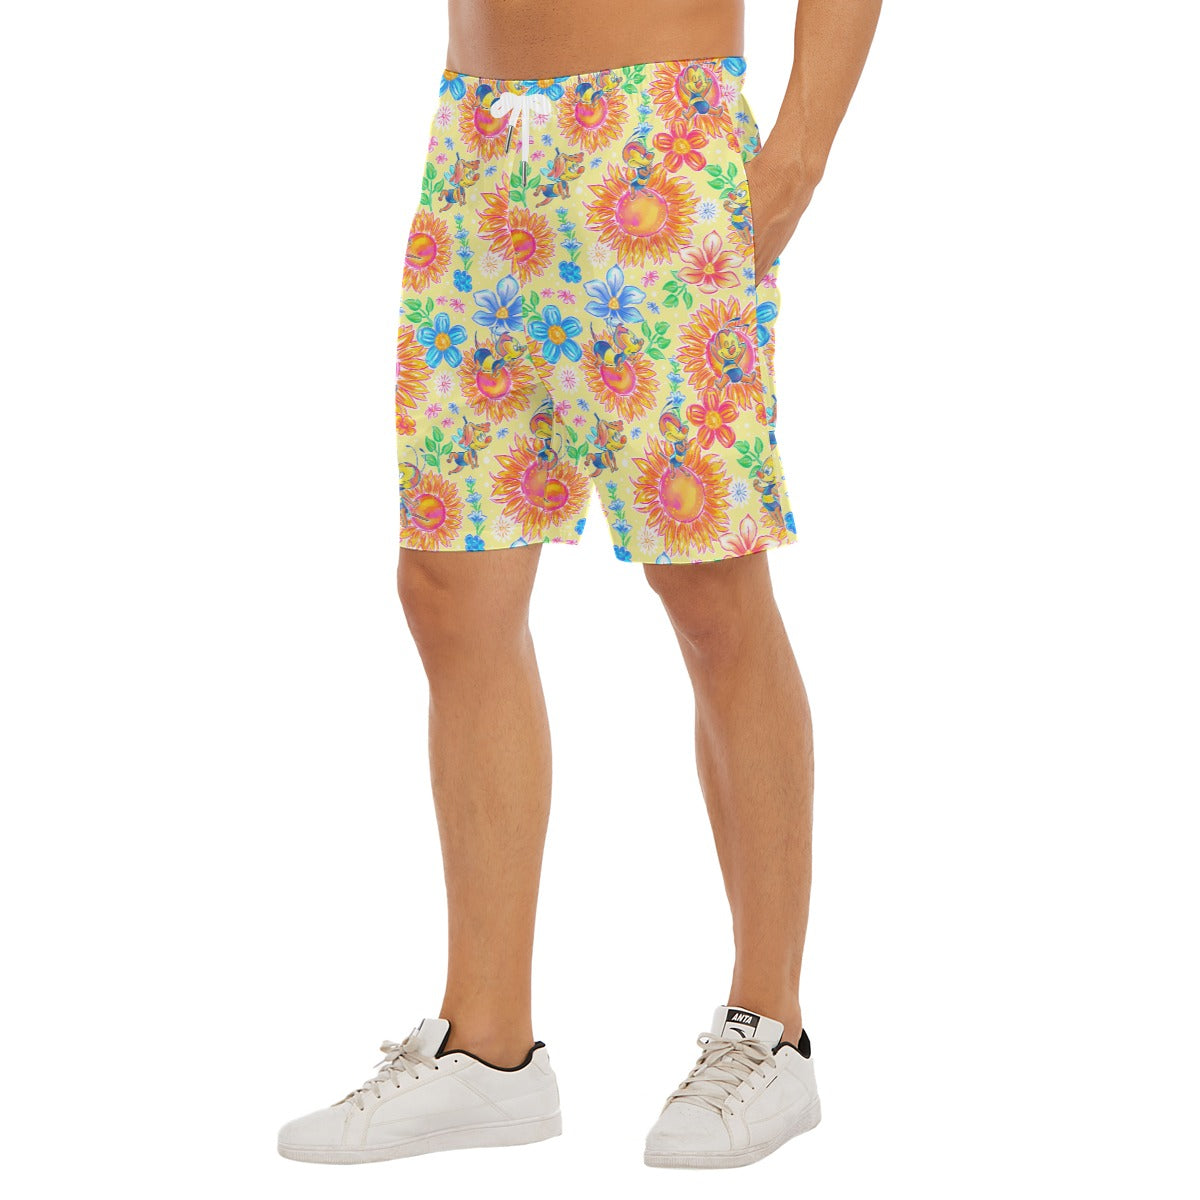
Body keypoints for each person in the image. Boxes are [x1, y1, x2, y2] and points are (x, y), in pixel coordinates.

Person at [279, 0, 881, 1170]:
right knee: (448, 586)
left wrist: (799, 153)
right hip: (480, 137)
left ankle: (770, 1030)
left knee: (708, 587)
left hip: (658, 138)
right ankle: (487, 1049)